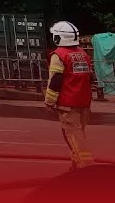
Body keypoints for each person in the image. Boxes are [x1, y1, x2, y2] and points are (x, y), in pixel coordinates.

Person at [45, 21, 95, 170]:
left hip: (68, 105)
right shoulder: (83, 54)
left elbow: (56, 80)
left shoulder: (59, 55)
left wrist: (49, 101)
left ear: (58, 38)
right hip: (84, 104)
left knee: (74, 139)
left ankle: (86, 169)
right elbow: (90, 77)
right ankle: (75, 169)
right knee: (78, 137)